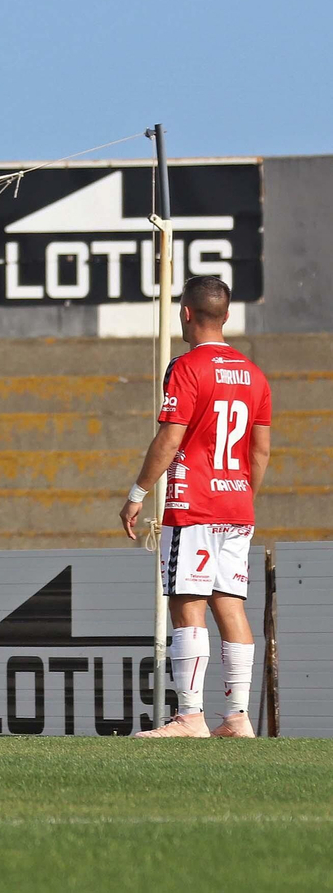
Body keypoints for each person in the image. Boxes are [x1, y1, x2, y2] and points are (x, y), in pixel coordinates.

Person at [120, 275, 271, 739]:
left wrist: (137, 493)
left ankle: (189, 716)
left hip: (195, 504)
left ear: (186, 312)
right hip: (236, 504)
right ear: (226, 316)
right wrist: (242, 496)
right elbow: (260, 452)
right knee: (230, 604)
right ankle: (239, 718)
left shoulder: (185, 368)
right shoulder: (254, 374)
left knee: (188, 603)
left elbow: (171, 438)